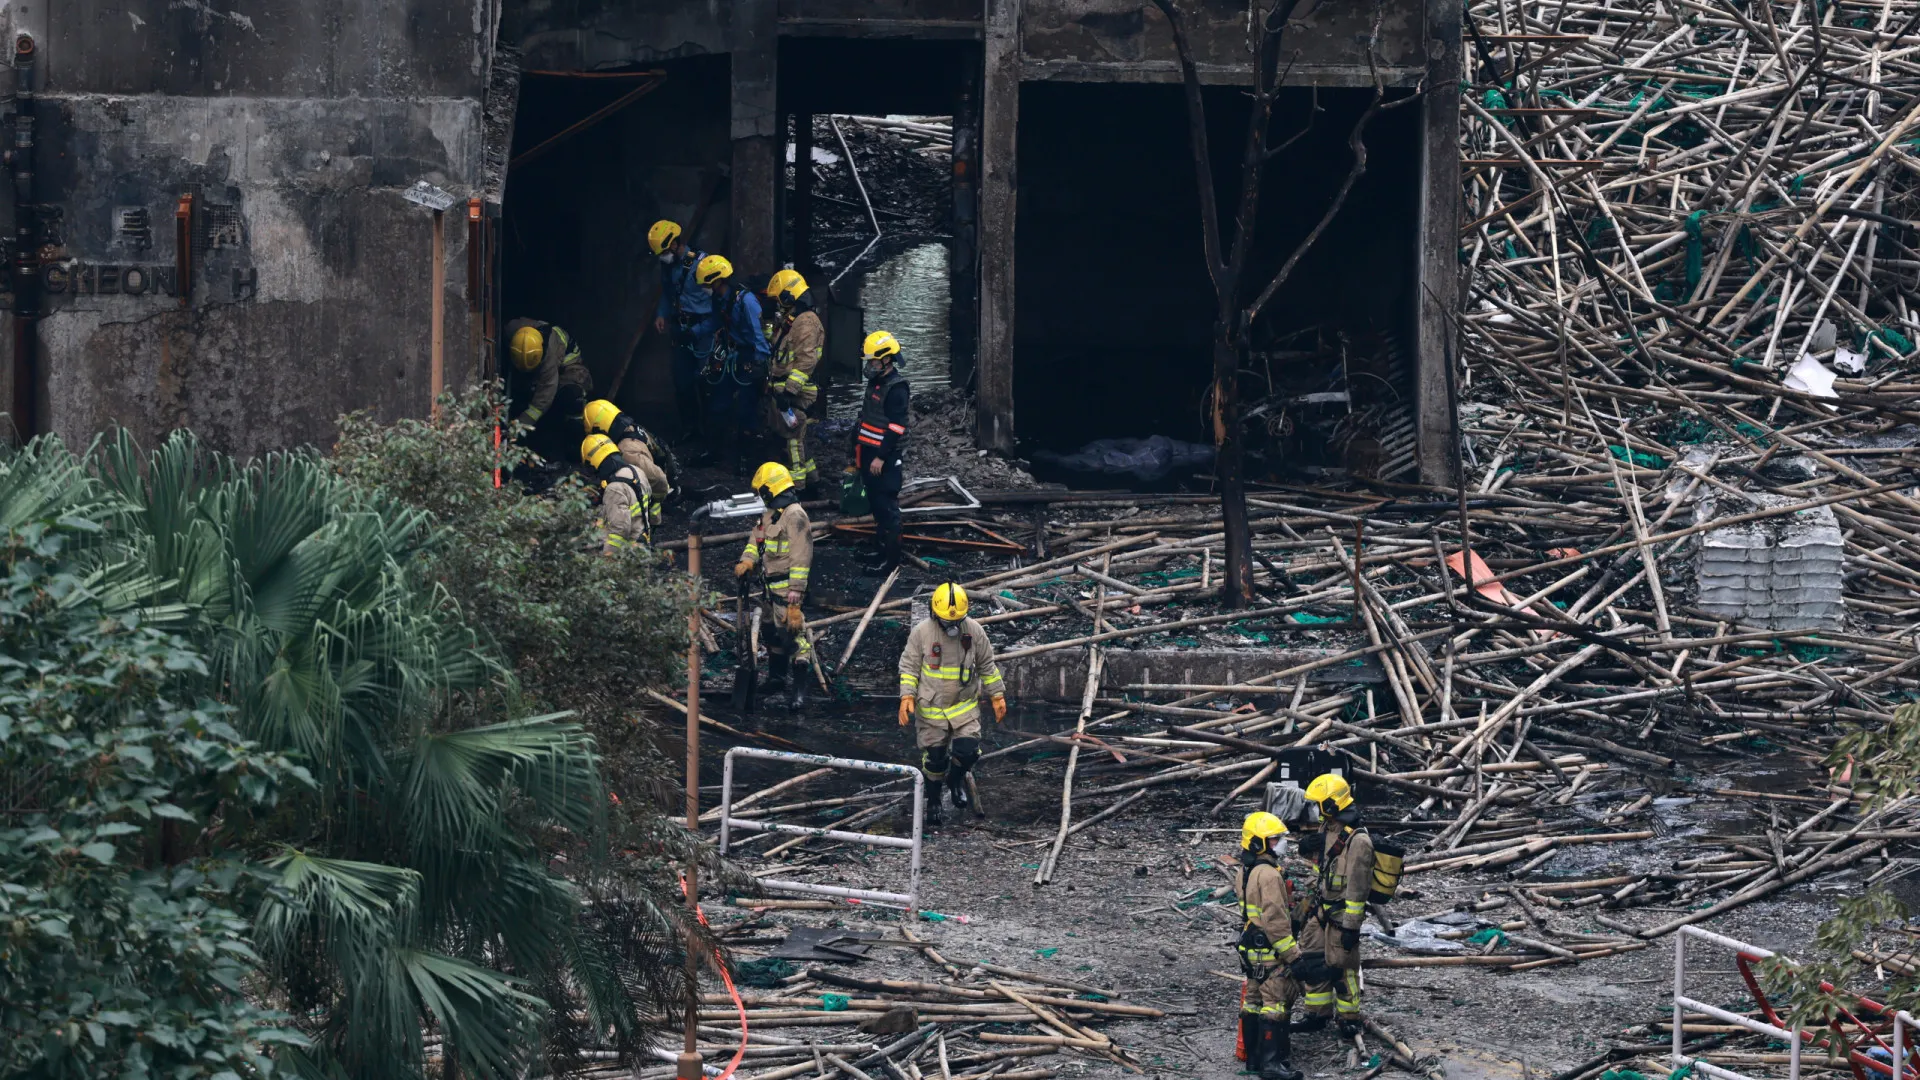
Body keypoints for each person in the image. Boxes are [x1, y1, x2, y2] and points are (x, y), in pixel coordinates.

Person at [897, 583, 1004, 825]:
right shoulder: (922, 633)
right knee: (935, 759)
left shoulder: (974, 632)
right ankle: (933, 800)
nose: (951, 626)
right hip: (931, 708)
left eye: (956, 621)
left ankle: (955, 780)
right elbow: (909, 668)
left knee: (968, 752)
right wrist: (906, 696)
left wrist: (997, 694)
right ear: (935, 613)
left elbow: (987, 665)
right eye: (946, 621)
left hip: (963, 706)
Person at [1293, 772, 1374, 1037]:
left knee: (1343, 967)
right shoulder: (1329, 828)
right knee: (1314, 960)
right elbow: (1324, 870)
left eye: (1320, 804)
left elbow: (1358, 887)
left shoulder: (1358, 840)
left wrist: (1351, 926)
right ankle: (1317, 1014)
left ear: (1332, 804)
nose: (1316, 810)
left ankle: (1349, 1018)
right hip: (1322, 908)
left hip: (1341, 916)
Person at [735, 462, 814, 711]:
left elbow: (802, 555)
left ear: (771, 489)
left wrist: (796, 593)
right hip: (769, 589)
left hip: (787, 591)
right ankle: (777, 680)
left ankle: (799, 693)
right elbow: (756, 540)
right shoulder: (770, 514)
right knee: (771, 634)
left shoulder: (795, 515)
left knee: (794, 637)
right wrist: (747, 561)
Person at [1234, 812, 1307, 1080]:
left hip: (1251, 951)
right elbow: (1276, 921)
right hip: (1270, 952)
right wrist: (1294, 956)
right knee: (1275, 1003)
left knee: (1252, 1001)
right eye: (1275, 839)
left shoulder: (1245, 870)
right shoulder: (1269, 875)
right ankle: (1271, 1065)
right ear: (1258, 843)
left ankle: (1253, 1060)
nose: (1281, 844)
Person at [699, 255, 770, 475]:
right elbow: (715, 322)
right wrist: (692, 333)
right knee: (718, 402)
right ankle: (715, 452)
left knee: (746, 408)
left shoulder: (745, 300)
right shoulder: (719, 300)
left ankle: (746, 460)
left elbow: (759, 335)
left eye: (706, 284)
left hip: (748, 358)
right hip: (732, 356)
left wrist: (760, 364)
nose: (704, 288)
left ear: (717, 280)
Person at [649, 220, 720, 438]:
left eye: (662, 252)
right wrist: (661, 314)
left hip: (703, 330)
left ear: (674, 244)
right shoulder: (668, 265)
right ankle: (690, 429)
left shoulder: (702, 264)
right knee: (682, 380)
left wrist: (706, 329)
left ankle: (711, 433)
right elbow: (667, 292)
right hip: (680, 328)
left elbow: (717, 302)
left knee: (705, 380)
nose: (660, 257)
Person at [851, 330, 909, 572]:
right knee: (876, 504)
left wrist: (880, 457)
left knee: (887, 507)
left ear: (886, 360)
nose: (870, 366)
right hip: (868, 453)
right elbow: (866, 420)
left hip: (885, 457)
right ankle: (880, 549)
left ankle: (892, 562)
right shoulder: (876, 383)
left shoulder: (897, 388)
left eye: (874, 361)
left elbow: (896, 428)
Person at [762, 269, 824, 496]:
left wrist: (789, 391)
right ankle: (813, 480)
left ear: (789, 296)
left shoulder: (806, 322)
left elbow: (806, 361)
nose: (779, 305)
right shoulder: (792, 320)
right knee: (795, 438)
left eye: (780, 300)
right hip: (784, 389)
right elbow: (776, 347)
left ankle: (799, 487)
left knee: (793, 440)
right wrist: (768, 321)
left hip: (799, 392)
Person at [583, 398, 675, 503]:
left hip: (657, 495)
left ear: (601, 429)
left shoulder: (627, 451)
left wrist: (654, 501)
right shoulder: (632, 428)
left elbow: (658, 478)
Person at [505, 318, 592, 428]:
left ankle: (575, 429)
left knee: (571, 397)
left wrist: (517, 426)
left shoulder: (549, 362)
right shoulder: (513, 328)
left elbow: (542, 402)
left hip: (570, 369)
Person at [580, 434, 653, 552]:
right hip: (642, 543)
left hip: (626, 555)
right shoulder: (636, 471)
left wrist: (609, 560)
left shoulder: (614, 489)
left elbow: (619, 531)